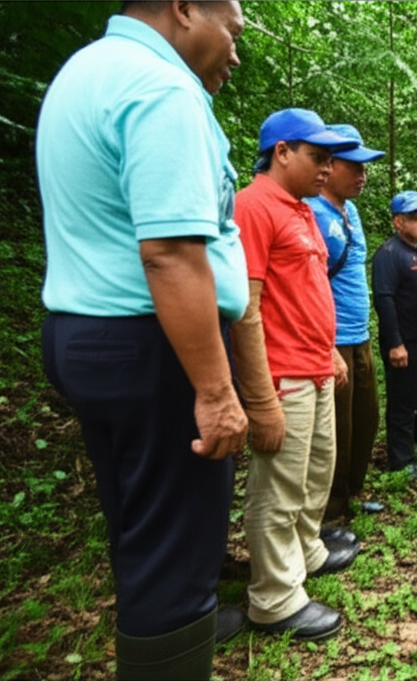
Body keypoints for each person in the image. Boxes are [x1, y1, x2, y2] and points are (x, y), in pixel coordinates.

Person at [37, 2, 248, 678]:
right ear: (186, 9)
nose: (235, 54)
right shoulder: (161, 89)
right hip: (156, 345)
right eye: (233, 32)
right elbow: (170, 253)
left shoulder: (88, 71)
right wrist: (216, 391)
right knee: (178, 555)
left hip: (88, 332)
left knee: (144, 534)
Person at [231, 108, 359, 642]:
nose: (328, 168)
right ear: (281, 152)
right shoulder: (253, 207)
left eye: (331, 159)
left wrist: (328, 349)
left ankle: (306, 551)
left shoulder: (302, 210)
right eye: (318, 157)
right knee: (279, 485)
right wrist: (261, 398)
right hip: (283, 374)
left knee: (315, 472)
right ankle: (274, 596)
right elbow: (246, 306)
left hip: (315, 366)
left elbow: (305, 292)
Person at [308, 124, 383, 521]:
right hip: (330, 337)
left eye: (365, 166)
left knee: (364, 419)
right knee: (334, 428)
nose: (362, 175)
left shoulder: (349, 210)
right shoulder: (312, 212)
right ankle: (330, 512)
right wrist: (325, 343)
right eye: (354, 166)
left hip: (360, 332)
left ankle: (352, 493)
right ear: (329, 164)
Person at [372, 191, 417, 478]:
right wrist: (395, 343)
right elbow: (384, 299)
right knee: (402, 402)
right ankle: (400, 461)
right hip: (404, 341)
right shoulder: (389, 254)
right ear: (398, 222)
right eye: (414, 218)